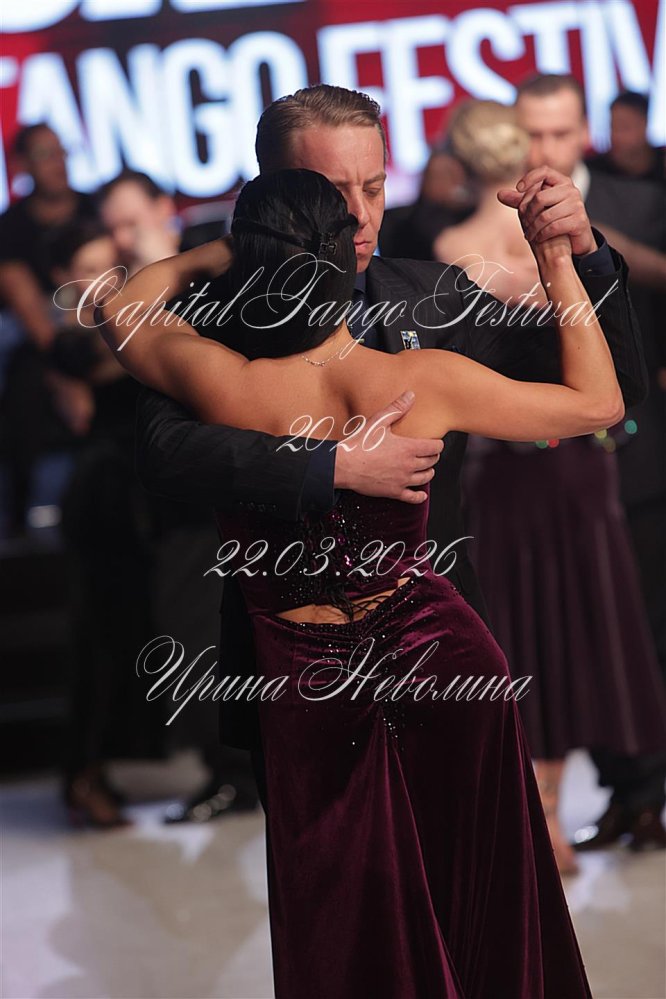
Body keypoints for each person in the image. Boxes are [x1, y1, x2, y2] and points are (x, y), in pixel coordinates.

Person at [95, 161, 620, 996]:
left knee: (344, 921)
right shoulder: (420, 380)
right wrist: (555, 259)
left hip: (305, 678)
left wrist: (215, 253)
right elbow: (598, 403)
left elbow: (116, 308)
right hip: (442, 654)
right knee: (475, 896)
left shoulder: (222, 384)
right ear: (346, 261)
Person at [129, 85, 646, 818]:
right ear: (274, 188)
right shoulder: (213, 317)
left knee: (463, 873)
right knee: (331, 880)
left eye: (372, 187)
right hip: (287, 673)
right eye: (332, 192)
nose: (359, 215)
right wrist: (331, 466)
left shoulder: (436, 298)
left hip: (441, 654)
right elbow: (166, 453)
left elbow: (610, 386)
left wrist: (583, 255)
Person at [436, 99, 666, 874]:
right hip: (560, 462)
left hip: (516, 464)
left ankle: (545, 816)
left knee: (526, 635)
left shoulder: (451, 249)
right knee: (563, 635)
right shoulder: (551, 240)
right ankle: (549, 812)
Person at [515, 73, 666, 853]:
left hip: (640, 444)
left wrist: (601, 244)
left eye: (559, 132)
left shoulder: (636, 203)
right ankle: (622, 792)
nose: (545, 147)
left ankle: (648, 794)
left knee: (646, 625)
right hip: (537, 460)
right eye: (531, 133)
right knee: (577, 633)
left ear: (583, 133)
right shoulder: (495, 214)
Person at [0, 123, 99, 531]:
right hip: (45, 343)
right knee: (24, 380)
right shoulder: (12, 227)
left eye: (62, 151)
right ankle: (21, 518)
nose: (58, 162)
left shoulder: (94, 208)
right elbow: (31, 314)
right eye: (45, 154)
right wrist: (66, 378)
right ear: (23, 165)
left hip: (102, 326)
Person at [587, 90, 666, 184]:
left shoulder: (662, 164)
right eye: (612, 127)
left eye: (624, 127)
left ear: (644, 125)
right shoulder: (594, 171)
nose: (616, 136)